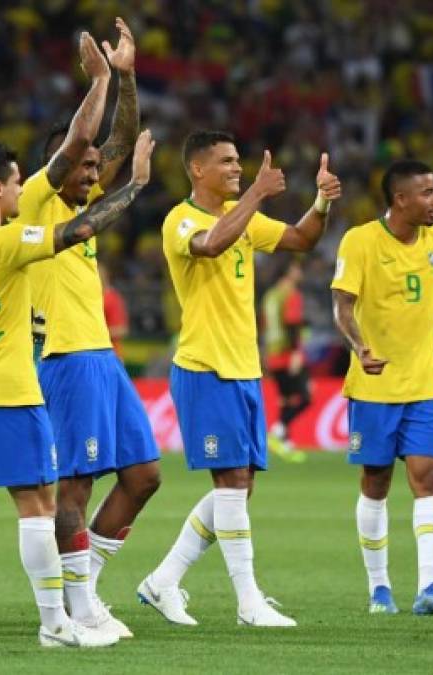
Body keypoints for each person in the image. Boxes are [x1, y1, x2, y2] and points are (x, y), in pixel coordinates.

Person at [0, 39, 157, 650]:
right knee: (42, 503)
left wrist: (122, 79)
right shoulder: (14, 233)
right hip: (21, 382)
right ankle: (59, 624)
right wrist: (98, 86)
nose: (22, 190)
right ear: (2, 188)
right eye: (17, 182)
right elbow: (78, 188)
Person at [137, 130, 341, 627]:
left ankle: (163, 580)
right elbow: (209, 245)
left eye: (239, 161)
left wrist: (320, 201)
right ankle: (248, 602)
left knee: (240, 486)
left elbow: (300, 238)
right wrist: (255, 195)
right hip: (205, 367)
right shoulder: (180, 220)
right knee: (230, 482)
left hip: (244, 369)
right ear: (197, 170)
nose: (237, 168)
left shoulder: (245, 221)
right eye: (226, 162)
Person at [26, 17, 159, 639]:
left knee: (143, 476)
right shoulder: (39, 200)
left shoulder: (82, 199)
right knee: (74, 485)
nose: (90, 174)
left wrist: (126, 78)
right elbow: (86, 137)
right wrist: (99, 81)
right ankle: (74, 610)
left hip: (100, 356)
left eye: (94, 170)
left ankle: (85, 590)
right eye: (81, 167)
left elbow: (119, 136)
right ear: (59, 167)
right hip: (66, 358)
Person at [332, 159, 433, 616]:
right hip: (374, 385)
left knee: (428, 476)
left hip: (423, 385)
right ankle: (379, 590)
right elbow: (342, 306)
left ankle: (429, 587)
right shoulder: (360, 241)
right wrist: (360, 348)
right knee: (376, 482)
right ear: (400, 199)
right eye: (427, 192)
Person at [262, 257, 310, 463]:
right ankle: (277, 431)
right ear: (288, 272)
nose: (299, 273)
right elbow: (292, 324)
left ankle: (286, 443)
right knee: (305, 397)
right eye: (296, 269)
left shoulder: (270, 296)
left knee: (286, 399)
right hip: (287, 354)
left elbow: (264, 326)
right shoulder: (291, 294)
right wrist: (296, 352)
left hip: (272, 353)